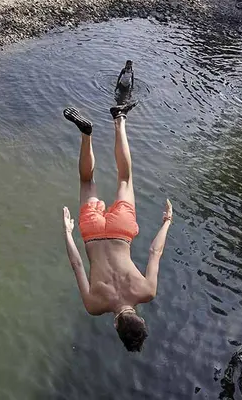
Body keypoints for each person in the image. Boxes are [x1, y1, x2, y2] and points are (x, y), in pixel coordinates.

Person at [61, 102, 173, 352]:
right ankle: (86, 134)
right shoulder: (94, 306)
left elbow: (155, 252)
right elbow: (77, 264)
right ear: (115, 326)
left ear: (141, 319)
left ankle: (119, 119)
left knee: (125, 177)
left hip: (121, 231)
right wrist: (68, 234)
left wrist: (166, 223)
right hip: (92, 234)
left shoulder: (147, 291)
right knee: (87, 181)